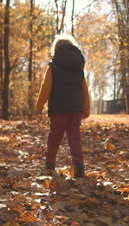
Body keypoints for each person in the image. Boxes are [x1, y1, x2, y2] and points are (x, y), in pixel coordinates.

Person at [35, 34, 90, 178]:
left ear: (56, 50)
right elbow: (85, 90)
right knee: (75, 138)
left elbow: (45, 88)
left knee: (54, 138)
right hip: (75, 110)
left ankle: (50, 165)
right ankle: (79, 168)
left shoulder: (53, 67)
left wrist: (39, 106)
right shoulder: (79, 69)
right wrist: (86, 109)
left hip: (58, 110)